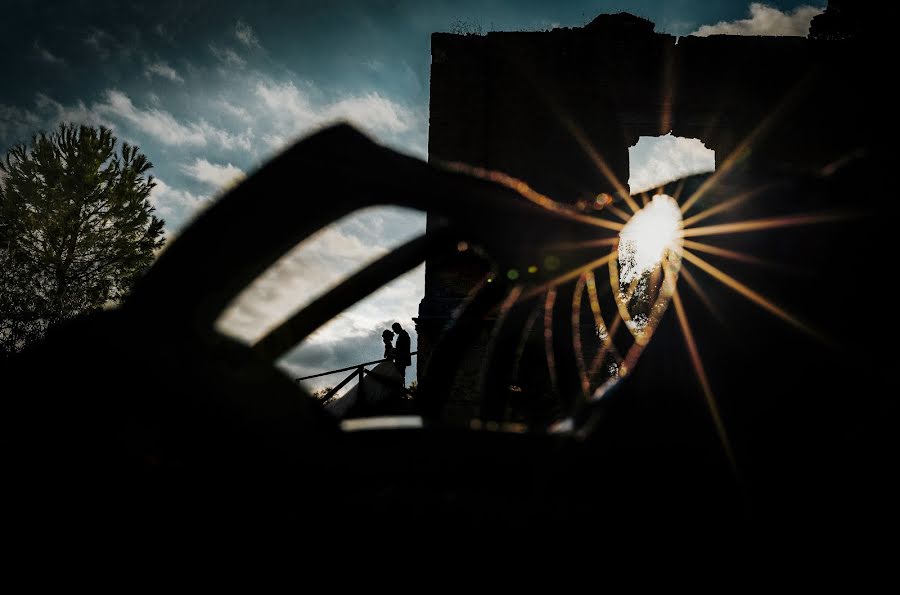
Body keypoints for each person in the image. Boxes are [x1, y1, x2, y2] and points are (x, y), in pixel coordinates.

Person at [324, 329, 404, 418]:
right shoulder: (388, 344)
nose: (391, 337)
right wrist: (395, 353)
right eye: (391, 336)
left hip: (387, 364)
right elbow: (387, 356)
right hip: (388, 364)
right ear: (390, 337)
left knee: (378, 381)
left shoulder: (387, 344)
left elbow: (385, 355)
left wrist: (393, 353)